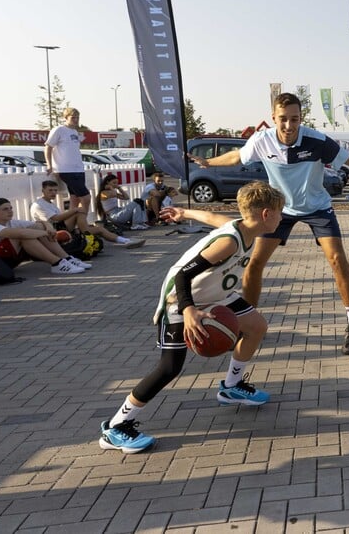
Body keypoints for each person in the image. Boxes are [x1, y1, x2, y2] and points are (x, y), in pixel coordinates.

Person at [187, 92, 349, 355]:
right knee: (254, 262)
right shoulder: (262, 141)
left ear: (300, 118)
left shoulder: (317, 141)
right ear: (273, 118)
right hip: (279, 209)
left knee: (337, 259)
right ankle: (247, 324)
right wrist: (207, 162)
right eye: (283, 119)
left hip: (317, 207)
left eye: (294, 119)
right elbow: (237, 157)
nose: (288, 125)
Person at [98, 182, 285, 453]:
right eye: (279, 212)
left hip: (216, 293)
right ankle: (115, 427)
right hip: (181, 298)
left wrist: (184, 213)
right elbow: (183, 275)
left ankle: (231, 387)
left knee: (256, 326)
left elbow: (210, 217)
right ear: (266, 214)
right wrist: (187, 310)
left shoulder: (245, 227)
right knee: (169, 368)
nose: (282, 217)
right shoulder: (228, 242)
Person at [0, 198, 88, 275]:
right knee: (23, 236)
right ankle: (57, 263)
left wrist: (49, 228)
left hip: (4, 260)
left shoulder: (11, 222)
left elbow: (40, 223)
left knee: (37, 228)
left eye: (11, 208)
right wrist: (47, 233)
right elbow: (21, 234)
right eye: (5, 209)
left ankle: (66, 258)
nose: (10, 211)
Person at [31, 180, 146, 248]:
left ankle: (125, 241)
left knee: (98, 229)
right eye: (50, 190)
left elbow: (126, 198)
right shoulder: (39, 204)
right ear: (43, 191)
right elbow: (55, 219)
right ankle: (87, 233)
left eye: (55, 190)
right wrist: (74, 210)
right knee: (79, 212)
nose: (53, 193)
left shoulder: (49, 203)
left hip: (60, 226)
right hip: (52, 231)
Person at [45, 108, 90, 213]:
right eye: (73, 117)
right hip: (66, 170)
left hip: (78, 169)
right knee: (86, 198)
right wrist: (49, 165)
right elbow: (48, 146)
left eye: (77, 118)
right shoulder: (59, 130)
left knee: (75, 198)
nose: (76, 120)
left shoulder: (74, 131)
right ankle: (83, 222)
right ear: (65, 118)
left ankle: (70, 225)